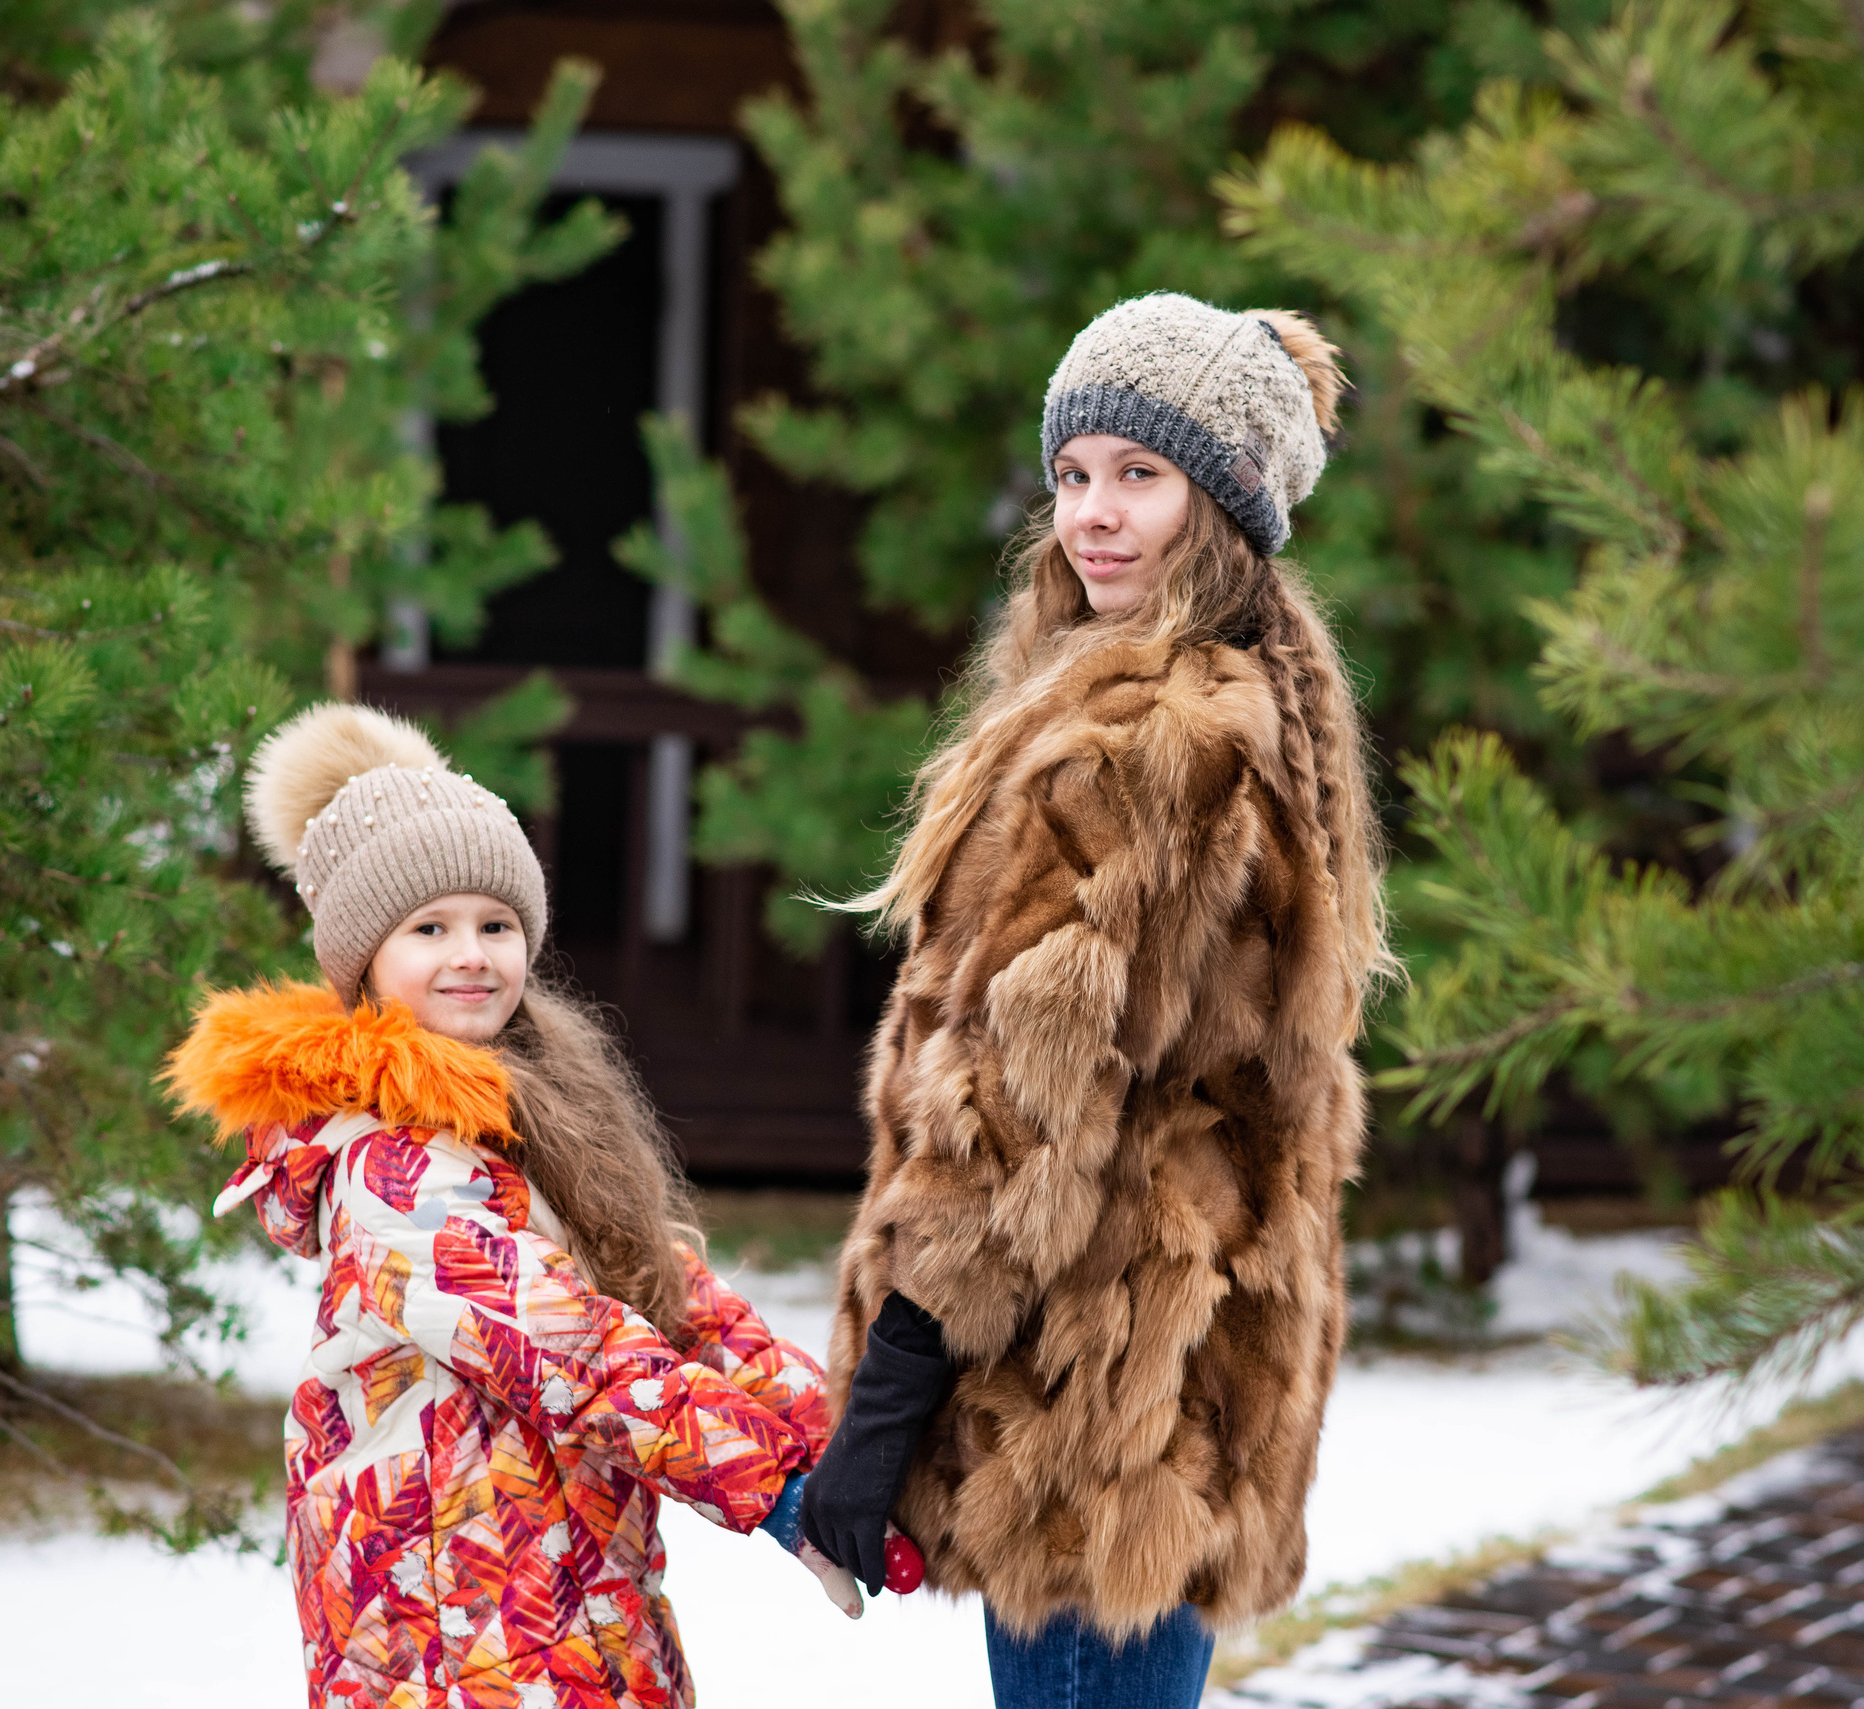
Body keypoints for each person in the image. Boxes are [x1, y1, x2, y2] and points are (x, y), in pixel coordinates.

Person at [799, 293, 1395, 1708]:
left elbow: (1018, 1133)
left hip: (1085, 1410)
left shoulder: (1146, 743)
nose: (1092, 514)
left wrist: (883, 1408)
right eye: (1074, 474)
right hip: (1175, 1405)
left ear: (1225, 503)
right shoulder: (1244, 700)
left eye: (1142, 475)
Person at [165, 704, 857, 1709]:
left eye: (495, 923)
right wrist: (778, 1491)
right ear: (359, 961)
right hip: (453, 1639)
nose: (472, 954)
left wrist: (839, 1439)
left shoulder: (528, 1115)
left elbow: (676, 1300)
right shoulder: (393, 1170)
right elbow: (569, 1349)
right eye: (428, 928)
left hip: (567, 1602)